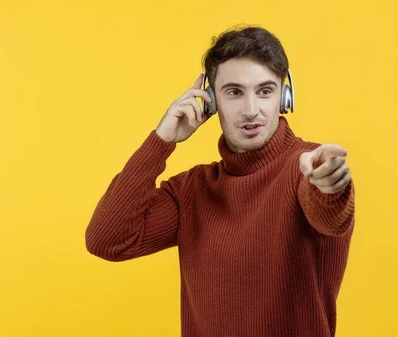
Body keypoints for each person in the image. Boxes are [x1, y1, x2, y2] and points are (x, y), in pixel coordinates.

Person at [85, 25, 355, 337]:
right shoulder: (192, 191)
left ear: (285, 95)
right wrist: (162, 140)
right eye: (235, 92)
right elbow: (107, 240)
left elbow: (329, 216)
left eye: (265, 91)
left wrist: (330, 185)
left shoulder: (308, 166)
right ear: (210, 100)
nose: (251, 110)